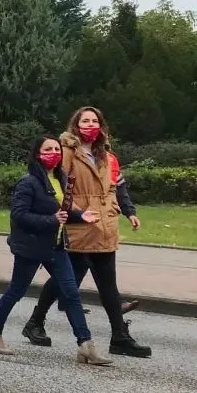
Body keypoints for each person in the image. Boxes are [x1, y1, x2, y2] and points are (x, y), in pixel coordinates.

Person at [23, 107, 150, 358]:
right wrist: (73, 212)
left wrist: (126, 209)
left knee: (108, 284)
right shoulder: (67, 152)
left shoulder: (105, 155)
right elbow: (56, 184)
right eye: (85, 121)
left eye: (95, 121)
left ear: (101, 126)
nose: (90, 125)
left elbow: (115, 187)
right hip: (79, 224)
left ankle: (119, 337)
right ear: (76, 125)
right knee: (64, 279)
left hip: (104, 225)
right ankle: (35, 321)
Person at [0, 138, 112, 366]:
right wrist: (51, 219)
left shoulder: (60, 178)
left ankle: (86, 345)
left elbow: (62, 213)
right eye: (48, 149)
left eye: (56, 149)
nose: (54, 153)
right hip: (31, 247)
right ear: (37, 154)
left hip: (56, 245)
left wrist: (80, 216)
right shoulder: (28, 182)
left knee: (71, 294)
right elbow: (19, 215)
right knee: (16, 291)